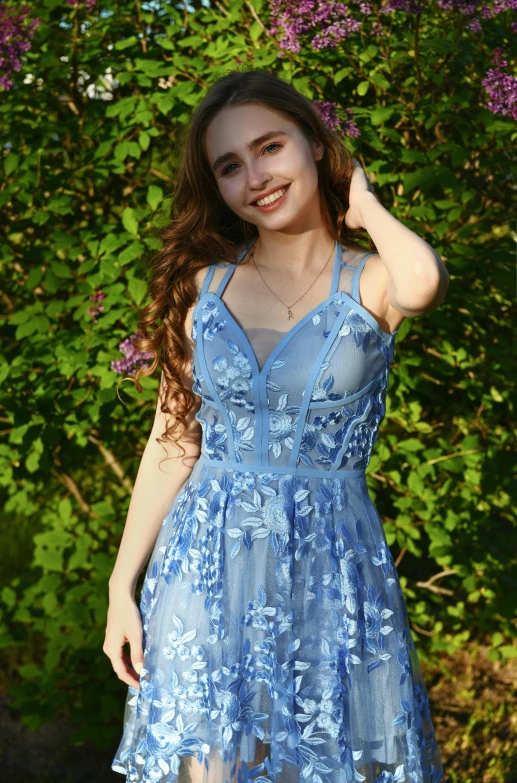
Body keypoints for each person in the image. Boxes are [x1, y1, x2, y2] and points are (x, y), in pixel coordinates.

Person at [105, 69, 448, 783]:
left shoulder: (372, 279)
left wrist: (367, 207)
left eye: (270, 147)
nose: (254, 176)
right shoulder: (207, 284)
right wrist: (120, 584)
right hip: (205, 563)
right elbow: (174, 440)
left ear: (314, 146)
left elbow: (423, 282)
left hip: (330, 566)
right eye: (230, 165)